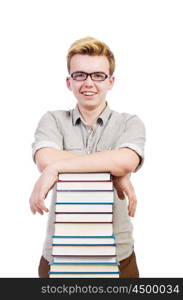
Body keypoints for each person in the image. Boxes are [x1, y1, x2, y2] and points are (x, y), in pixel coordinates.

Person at [29, 36, 146, 278]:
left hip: (119, 257)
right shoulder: (52, 120)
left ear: (111, 81)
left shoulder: (130, 123)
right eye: (80, 75)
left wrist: (58, 168)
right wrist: (112, 172)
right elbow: (44, 159)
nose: (88, 83)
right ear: (69, 81)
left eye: (98, 75)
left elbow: (126, 161)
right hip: (58, 256)